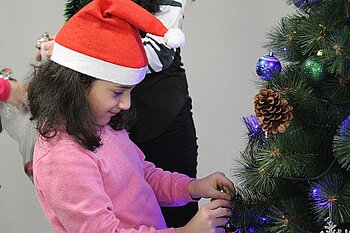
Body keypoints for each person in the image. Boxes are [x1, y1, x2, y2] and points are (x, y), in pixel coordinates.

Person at [28, 0, 235, 232]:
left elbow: (144, 176)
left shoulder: (105, 126)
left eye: (130, 91)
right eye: (118, 92)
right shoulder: (62, 157)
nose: (126, 104)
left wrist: (193, 187)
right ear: (77, 84)